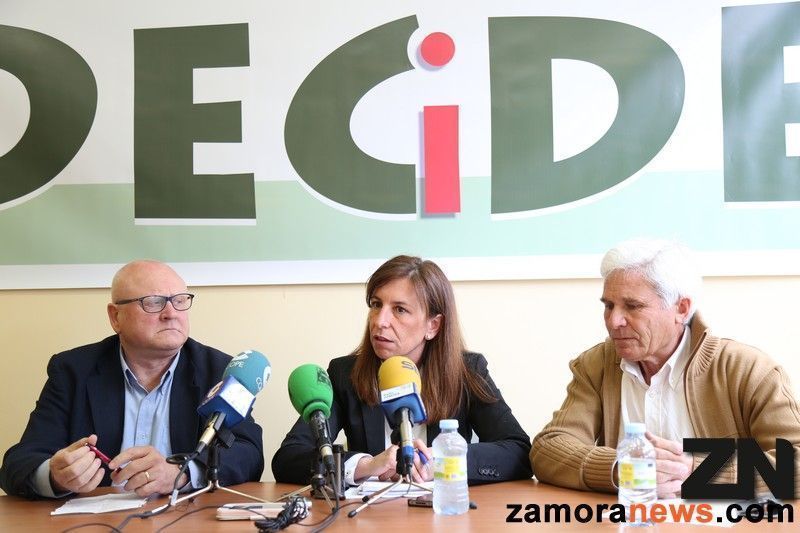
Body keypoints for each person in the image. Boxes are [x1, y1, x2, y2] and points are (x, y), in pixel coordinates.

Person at [531, 238, 800, 497]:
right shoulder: (597, 365)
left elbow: (796, 461)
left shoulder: (748, 369)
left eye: (633, 306)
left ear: (681, 309)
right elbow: (548, 450)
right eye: (609, 306)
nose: (614, 321)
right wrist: (622, 469)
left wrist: (695, 470)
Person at [0, 260, 264, 499]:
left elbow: (249, 452)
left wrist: (182, 473)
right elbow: (19, 462)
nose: (171, 313)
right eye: (154, 302)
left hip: (186, 519)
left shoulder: (219, 370)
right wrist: (56, 476)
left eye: (180, 300)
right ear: (115, 317)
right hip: (96, 524)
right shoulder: (73, 371)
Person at [272, 255, 532, 486]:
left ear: (433, 325)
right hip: (371, 516)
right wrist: (364, 465)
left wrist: (443, 462)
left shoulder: (467, 372)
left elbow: (518, 451)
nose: (380, 321)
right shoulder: (345, 374)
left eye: (399, 310)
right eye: (376, 305)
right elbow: (288, 457)